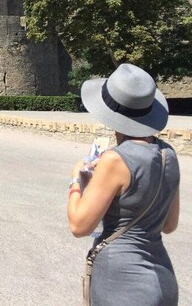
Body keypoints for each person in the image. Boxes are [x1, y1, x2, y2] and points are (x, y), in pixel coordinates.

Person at [67, 64, 181, 306]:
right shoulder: (168, 154)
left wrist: (76, 178)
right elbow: (169, 225)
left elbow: (79, 225)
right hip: (162, 278)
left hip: (122, 282)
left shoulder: (114, 160)